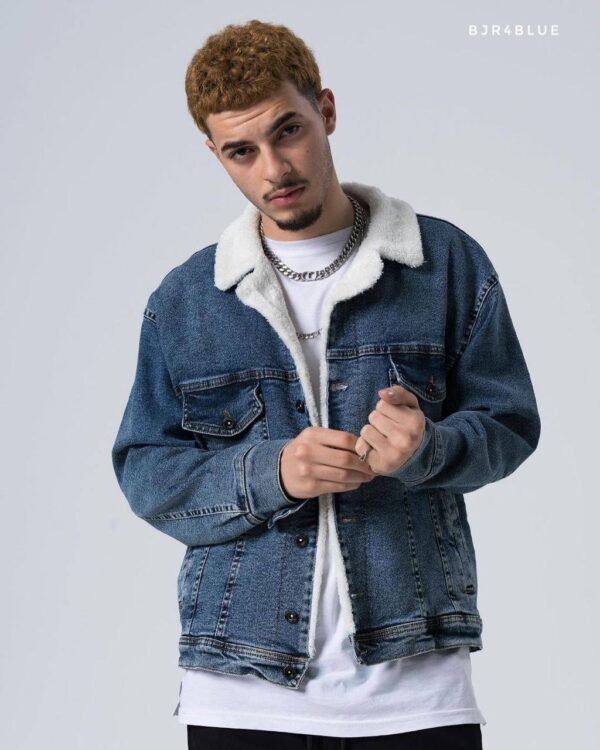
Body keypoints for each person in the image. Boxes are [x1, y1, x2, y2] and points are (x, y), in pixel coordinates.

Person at [111, 18, 541, 750]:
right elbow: (147, 472)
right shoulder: (186, 301)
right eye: (242, 151)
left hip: (416, 688)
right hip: (241, 695)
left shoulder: (442, 264)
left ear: (326, 111)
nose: (274, 168)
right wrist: (271, 472)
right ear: (215, 153)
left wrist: (429, 449)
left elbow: (509, 423)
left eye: (289, 131)